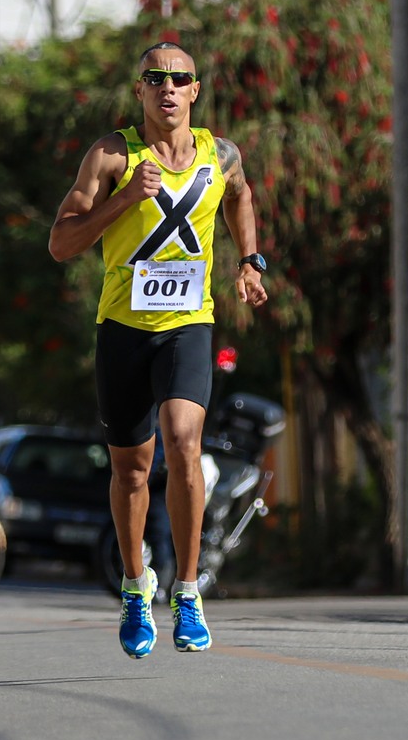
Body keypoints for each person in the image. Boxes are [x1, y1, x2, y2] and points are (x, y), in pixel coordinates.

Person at [49, 41, 267, 658]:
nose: (167, 88)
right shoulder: (112, 155)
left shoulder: (221, 155)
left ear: (195, 90)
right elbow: (61, 243)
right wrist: (123, 199)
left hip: (187, 324)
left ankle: (188, 591)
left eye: (179, 79)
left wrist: (250, 259)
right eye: (155, 78)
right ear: (140, 90)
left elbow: (241, 193)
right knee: (132, 470)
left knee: (184, 441)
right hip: (122, 329)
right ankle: (133, 586)